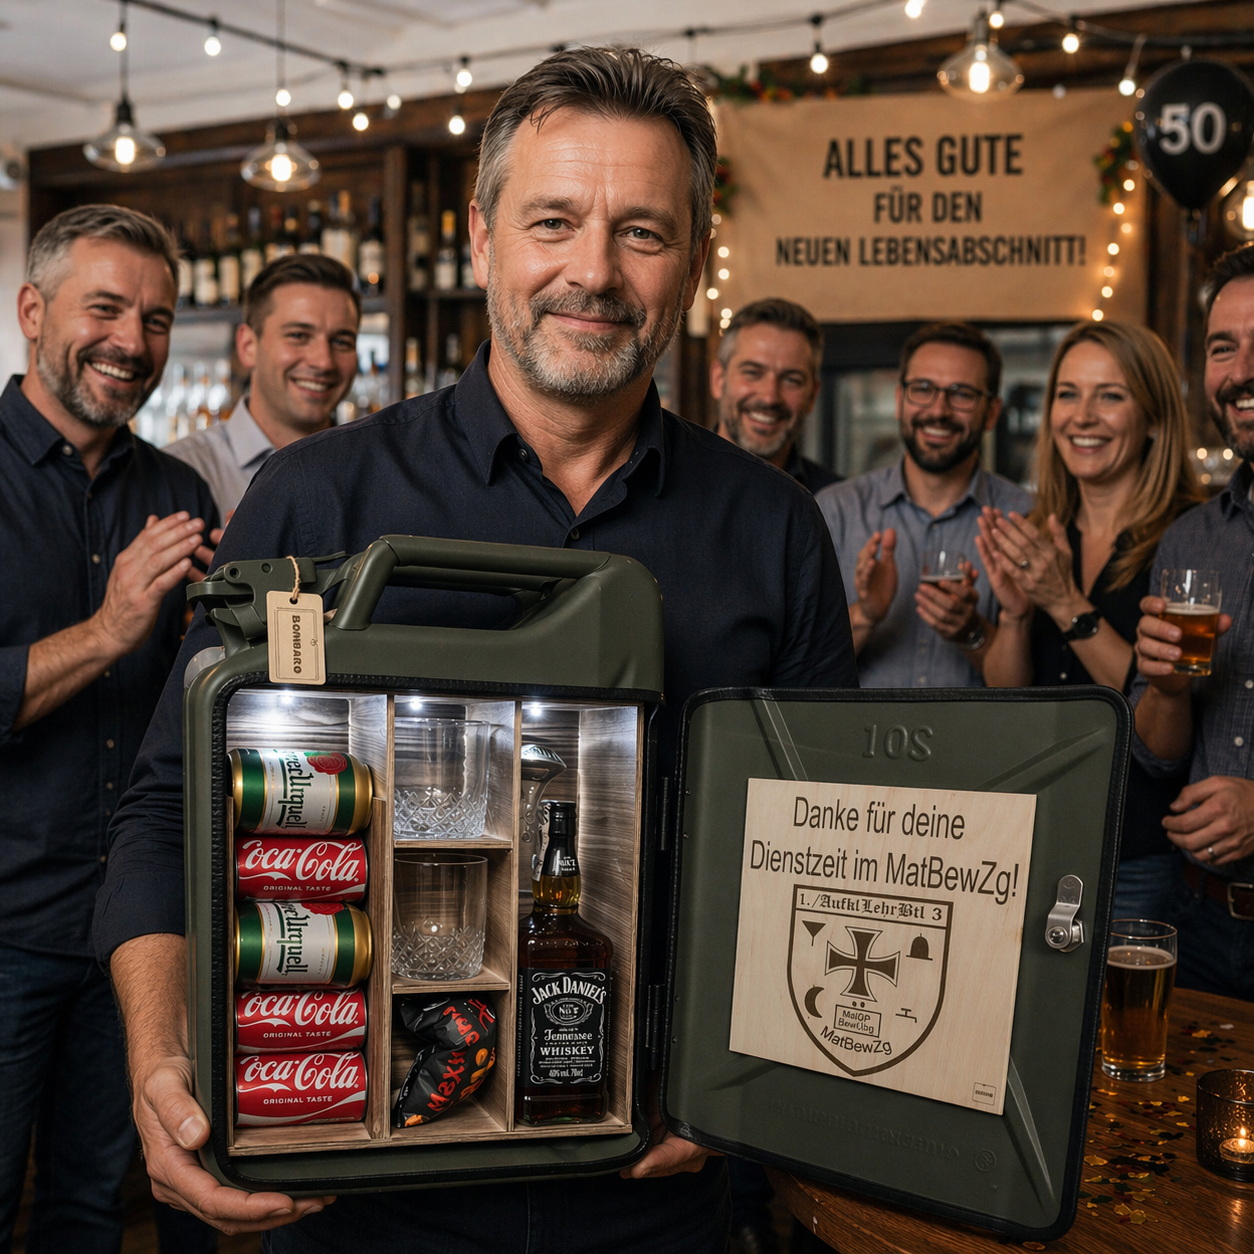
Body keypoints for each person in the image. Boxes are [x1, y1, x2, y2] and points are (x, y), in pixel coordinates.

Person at [93, 47, 859, 1250]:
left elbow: (824, 852)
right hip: (362, 1192)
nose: (593, 271)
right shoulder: (314, 494)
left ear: (697, 259)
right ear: (483, 233)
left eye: (643, 232)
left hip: (656, 1193)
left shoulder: (775, 529)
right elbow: (168, 807)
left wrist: (746, 1082)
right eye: (554, 221)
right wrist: (158, 1060)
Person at [0, 205, 216, 1252]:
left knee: (89, 1210)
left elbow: (196, 706)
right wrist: (108, 630)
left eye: (157, 319)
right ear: (33, 311)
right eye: (105, 309)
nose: (132, 341)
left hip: (128, 937)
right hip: (4, 928)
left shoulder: (177, 490)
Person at [975, 320, 1202, 918]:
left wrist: (1064, 602)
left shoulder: (1191, 537)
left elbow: (1162, 709)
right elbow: (1007, 693)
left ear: (1153, 419)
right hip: (1032, 839)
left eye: (1111, 395)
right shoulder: (1042, 528)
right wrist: (1016, 617)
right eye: (1068, 394)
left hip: (1137, 852)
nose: (1082, 416)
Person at [1131, 242, 1254, 1001]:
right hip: (1199, 920)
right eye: (1222, 347)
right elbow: (1157, 757)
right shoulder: (1191, 540)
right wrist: (1167, 692)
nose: (1241, 372)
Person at [815, 322, 1032, 687]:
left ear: (993, 412)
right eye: (923, 389)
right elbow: (803, 678)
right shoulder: (835, 511)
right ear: (900, 400)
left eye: (962, 394)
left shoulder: (1023, 519)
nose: (939, 410)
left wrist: (972, 631)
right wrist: (865, 615)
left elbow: (1029, 693)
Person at [166, 253, 361, 519]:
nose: (324, 362)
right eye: (298, 336)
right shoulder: (178, 473)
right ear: (248, 346)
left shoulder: (375, 471)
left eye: (341, 341)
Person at [711, 297, 839, 493]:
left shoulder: (835, 501)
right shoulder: (672, 482)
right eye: (753, 373)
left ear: (813, 396)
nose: (770, 397)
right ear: (718, 379)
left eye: (791, 380)